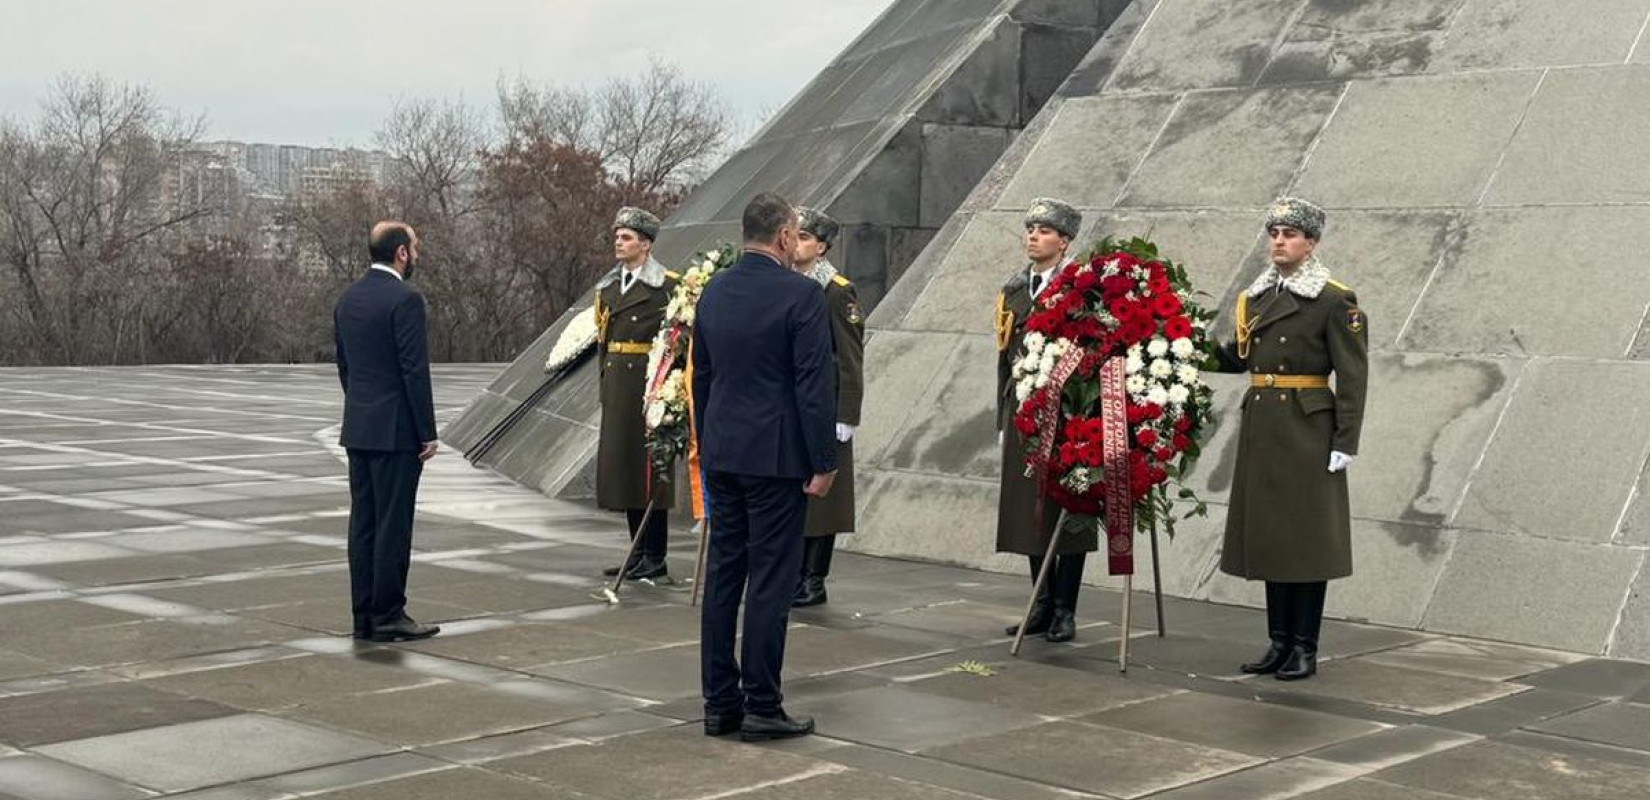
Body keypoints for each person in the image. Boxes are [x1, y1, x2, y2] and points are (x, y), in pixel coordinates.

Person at [692, 193, 837, 741]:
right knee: (772, 583)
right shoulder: (801, 296)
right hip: (776, 460)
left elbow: (701, 376)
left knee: (724, 578)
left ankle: (718, 704)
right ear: (782, 237)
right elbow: (813, 387)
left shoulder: (714, 290)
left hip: (725, 452)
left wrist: (711, 442)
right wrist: (822, 460)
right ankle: (762, 704)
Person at [1211, 197, 1368, 681]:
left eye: (1290, 234)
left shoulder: (1332, 299)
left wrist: (1346, 439)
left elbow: (1354, 374)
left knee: (1307, 541)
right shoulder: (1255, 298)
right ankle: (1278, 642)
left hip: (1307, 430)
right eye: (1274, 233)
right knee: (1274, 539)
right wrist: (1175, 344)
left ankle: (1304, 646)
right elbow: (1239, 360)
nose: (1279, 241)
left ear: (1311, 242)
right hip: (1264, 428)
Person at [333, 222, 441, 643]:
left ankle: (364, 615)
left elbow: (346, 367)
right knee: (394, 526)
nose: (417, 253)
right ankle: (390, 613)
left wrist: (362, 410)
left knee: (364, 524)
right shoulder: (406, 299)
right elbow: (414, 371)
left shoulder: (349, 298)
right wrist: (426, 432)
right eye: (415, 247)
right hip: (396, 431)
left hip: (359, 427)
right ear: (400, 253)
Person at [994, 198, 1095, 643]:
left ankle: (1066, 610)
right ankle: (1041, 603)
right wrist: (1004, 418)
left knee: (1068, 513)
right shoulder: (1015, 290)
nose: (1033, 236)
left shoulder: (1081, 290)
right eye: (1030, 228)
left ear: (1065, 241)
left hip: (1069, 416)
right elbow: (1005, 360)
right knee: (1029, 514)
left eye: (1044, 230)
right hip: (1025, 412)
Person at [593, 207, 679, 581]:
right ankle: (637, 551)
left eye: (626, 237)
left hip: (648, 386)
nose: (618, 242)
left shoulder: (667, 288)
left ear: (645, 244)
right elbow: (603, 342)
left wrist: (668, 394)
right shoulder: (610, 287)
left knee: (649, 473)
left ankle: (655, 555)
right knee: (626, 471)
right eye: (617, 236)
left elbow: (677, 342)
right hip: (617, 386)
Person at [789, 207, 863, 608]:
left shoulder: (836, 290)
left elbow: (850, 357)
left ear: (821, 246)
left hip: (825, 407)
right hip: (790, 405)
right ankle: (793, 573)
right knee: (795, 492)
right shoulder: (785, 283)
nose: (796, 243)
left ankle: (814, 578)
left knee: (824, 501)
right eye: (793, 235)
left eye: (803, 237)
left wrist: (845, 415)